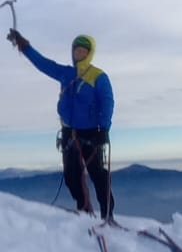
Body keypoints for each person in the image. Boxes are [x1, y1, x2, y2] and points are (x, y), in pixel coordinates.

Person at [7, 28, 115, 220]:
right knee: (72, 177)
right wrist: (24, 46)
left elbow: (107, 102)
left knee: (97, 174)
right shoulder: (66, 73)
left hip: (91, 133)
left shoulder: (98, 76)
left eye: (83, 50)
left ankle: (107, 214)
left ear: (90, 53)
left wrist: (104, 128)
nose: (78, 53)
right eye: (76, 50)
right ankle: (84, 209)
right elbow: (43, 64)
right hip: (69, 133)